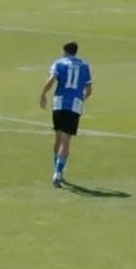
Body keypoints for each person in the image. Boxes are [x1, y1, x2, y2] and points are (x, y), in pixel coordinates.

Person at [39, 41, 93, 187]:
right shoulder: (84, 65)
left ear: (65, 51)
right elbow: (89, 90)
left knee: (58, 137)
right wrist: (80, 99)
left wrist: (43, 93)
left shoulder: (59, 63)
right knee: (65, 141)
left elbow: (52, 79)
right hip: (74, 105)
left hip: (59, 103)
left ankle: (56, 169)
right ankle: (58, 173)